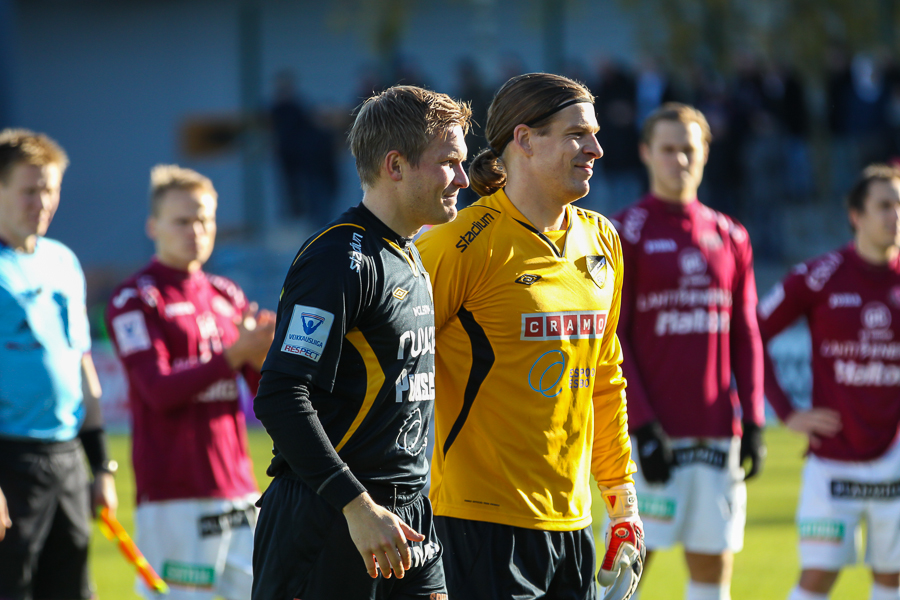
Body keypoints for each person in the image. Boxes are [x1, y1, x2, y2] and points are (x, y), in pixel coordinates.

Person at [416, 72, 645, 600]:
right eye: (577, 134)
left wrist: (621, 501)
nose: (597, 148)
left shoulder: (602, 238)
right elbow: (387, 372)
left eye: (594, 133)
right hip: (477, 524)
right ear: (524, 140)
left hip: (572, 524)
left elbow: (604, 379)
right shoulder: (459, 245)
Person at [251, 85, 471, 600]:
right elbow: (281, 395)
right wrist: (356, 505)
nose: (462, 178)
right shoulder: (339, 259)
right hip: (334, 517)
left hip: (408, 516)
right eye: (449, 163)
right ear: (395, 165)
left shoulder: (407, 253)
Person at [611, 103, 765, 600]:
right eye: (668, 149)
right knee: (626, 571)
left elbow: (745, 333)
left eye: (689, 149)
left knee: (712, 565)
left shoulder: (730, 234)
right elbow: (615, 338)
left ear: (704, 154)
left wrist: (756, 419)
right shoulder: (623, 232)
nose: (679, 160)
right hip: (648, 436)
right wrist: (642, 426)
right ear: (646, 154)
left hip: (718, 433)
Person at [105, 165, 275, 600]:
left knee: (272, 591)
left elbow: (265, 394)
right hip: (173, 498)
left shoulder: (227, 295)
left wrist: (266, 356)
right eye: (182, 220)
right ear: (153, 226)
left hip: (239, 491)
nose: (195, 230)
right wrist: (236, 353)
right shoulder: (136, 298)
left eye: (205, 219)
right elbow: (158, 391)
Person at [758, 164, 900, 600]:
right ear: (856, 215)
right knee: (817, 578)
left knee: (891, 579)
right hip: (832, 462)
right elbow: (751, 333)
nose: (894, 215)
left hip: (896, 462)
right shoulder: (819, 276)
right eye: (884, 206)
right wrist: (787, 412)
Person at [0, 128, 118, 599]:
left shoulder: (64, 262)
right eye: (30, 190)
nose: (42, 201)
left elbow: (82, 366)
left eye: (50, 189)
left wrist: (101, 467)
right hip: (9, 461)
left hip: (67, 461)